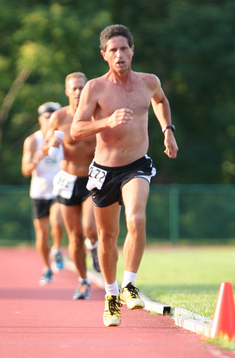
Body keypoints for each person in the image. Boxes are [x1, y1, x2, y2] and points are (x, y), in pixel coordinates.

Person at [71, 24, 178, 326]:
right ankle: (110, 295)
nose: (119, 55)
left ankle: (130, 284)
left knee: (137, 218)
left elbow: (161, 101)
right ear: (104, 55)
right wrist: (107, 121)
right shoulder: (95, 88)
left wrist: (167, 131)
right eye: (113, 50)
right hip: (104, 170)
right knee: (107, 236)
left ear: (133, 50)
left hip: (137, 165)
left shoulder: (149, 82)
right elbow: (77, 129)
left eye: (124, 48)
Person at [42, 72, 100, 301]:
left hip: (92, 178)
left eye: (81, 87)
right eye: (73, 88)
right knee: (74, 237)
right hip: (67, 179)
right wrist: (51, 144)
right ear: (66, 91)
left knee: (89, 228)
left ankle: (94, 245)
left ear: (87, 89)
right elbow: (46, 148)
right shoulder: (58, 117)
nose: (77, 91)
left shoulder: (96, 114)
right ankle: (84, 281)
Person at [22, 102, 65, 285]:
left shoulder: (63, 138)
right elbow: (25, 170)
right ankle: (47, 268)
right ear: (41, 119)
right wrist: (35, 159)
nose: (50, 120)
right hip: (39, 191)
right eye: (47, 117)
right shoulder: (32, 141)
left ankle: (56, 249)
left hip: (59, 189)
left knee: (57, 221)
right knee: (42, 233)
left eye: (54, 117)